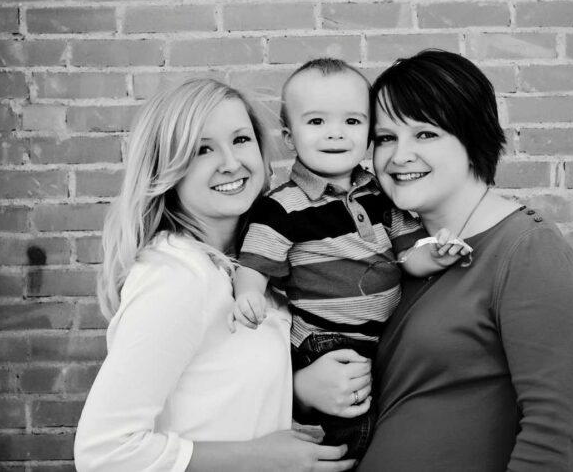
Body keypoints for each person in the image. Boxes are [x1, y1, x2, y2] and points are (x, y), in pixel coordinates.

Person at [73, 78, 361, 472]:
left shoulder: (251, 265)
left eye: (241, 140)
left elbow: (221, 386)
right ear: (166, 167)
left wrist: (301, 389)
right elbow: (105, 452)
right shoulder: (175, 276)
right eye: (202, 149)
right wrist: (265, 459)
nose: (230, 162)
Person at [357, 49, 573, 472]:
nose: (398, 156)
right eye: (386, 137)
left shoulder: (527, 252)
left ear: (471, 139)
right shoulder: (395, 252)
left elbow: (554, 434)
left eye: (425, 134)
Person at [231, 59, 469, 459]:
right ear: (290, 136)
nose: (336, 133)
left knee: (382, 422)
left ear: (370, 134)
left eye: (353, 122)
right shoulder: (283, 207)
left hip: (377, 341)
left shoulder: (379, 194)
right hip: (324, 340)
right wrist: (248, 294)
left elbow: (410, 256)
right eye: (317, 122)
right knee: (349, 431)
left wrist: (438, 255)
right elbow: (254, 264)